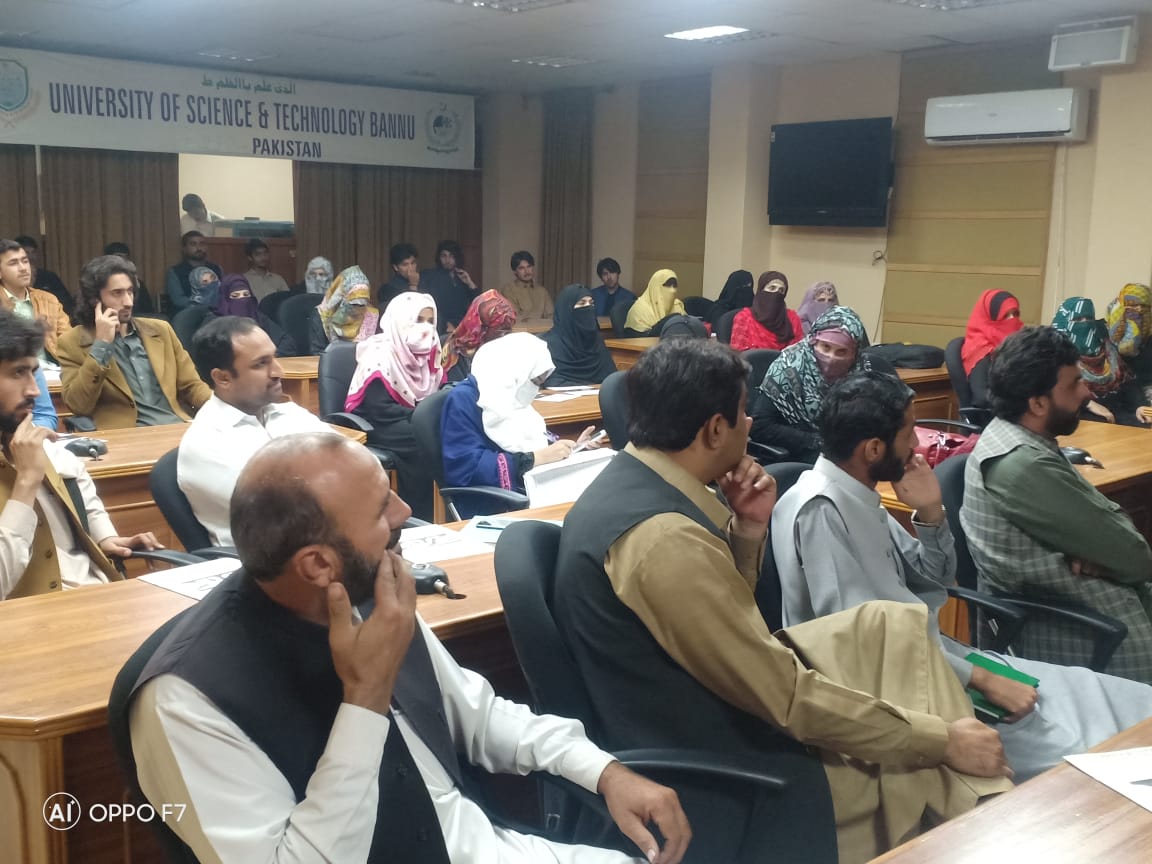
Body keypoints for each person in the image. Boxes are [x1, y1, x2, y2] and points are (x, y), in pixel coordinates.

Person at [130, 432, 691, 864]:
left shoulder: (371, 589)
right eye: (381, 509)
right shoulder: (186, 698)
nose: (404, 513)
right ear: (319, 565)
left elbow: (481, 718)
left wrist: (602, 770)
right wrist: (365, 699)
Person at [552, 338, 1012, 864]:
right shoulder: (663, 540)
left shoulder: (634, 482)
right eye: (743, 412)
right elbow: (785, 697)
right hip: (734, 768)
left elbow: (717, 621)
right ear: (715, 430)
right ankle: (997, 823)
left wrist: (748, 531)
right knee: (936, 765)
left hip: (708, 715)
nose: (751, 423)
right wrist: (940, 741)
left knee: (889, 625)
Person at [773, 370, 1152, 782]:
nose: (917, 444)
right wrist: (981, 678)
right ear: (874, 449)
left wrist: (930, 513)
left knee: (1115, 697)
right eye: (908, 433)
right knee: (1102, 752)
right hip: (909, 695)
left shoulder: (857, 494)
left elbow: (935, 581)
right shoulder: (822, 510)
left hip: (940, 660)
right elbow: (865, 649)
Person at [962, 326, 1152, 684]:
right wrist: (1112, 552)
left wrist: (1108, 553)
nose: (1086, 392)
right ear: (1037, 403)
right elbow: (1136, 556)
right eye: (1074, 384)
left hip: (1088, 610)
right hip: (1085, 632)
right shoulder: (1023, 466)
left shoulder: (1019, 438)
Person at [0, 311, 160, 600]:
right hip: (33, 618)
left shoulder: (28, 439)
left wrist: (105, 537)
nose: (35, 390)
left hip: (95, 594)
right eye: (18, 373)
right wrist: (26, 482)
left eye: (33, 372)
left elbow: (75, 475)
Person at [180, 316, 334, 546]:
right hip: (269, 559)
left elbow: (351, 460)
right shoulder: (206, 442)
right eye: (261, 364)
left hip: (323, 541)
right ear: (223, 378)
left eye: (274, 358)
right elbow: (285, 512)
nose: (278, 371)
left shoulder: (288, 413)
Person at [441, 333, 597, 504]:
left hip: (531, 487)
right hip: (493, 501)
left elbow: (533, 440)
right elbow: (466, 467)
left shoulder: (510, 395)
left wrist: (572, 448)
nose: (535, 389)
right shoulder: (463, 399)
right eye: (534, 381)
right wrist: (535, 459)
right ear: (516, 372)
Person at [57, 255, 211, 429]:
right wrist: (101, 345)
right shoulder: (72, 342)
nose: (128, 302)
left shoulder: (161, 330)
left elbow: (192, 386)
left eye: (130, 292)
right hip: (125, 434)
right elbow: (78, 405)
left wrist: (222, 408)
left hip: (174, 425)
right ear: (94, 299)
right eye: (117, 293)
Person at [345, 292, 445, 521]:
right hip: (379, 423)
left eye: (431, 321)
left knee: (447, 431)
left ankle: (447, 510)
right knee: (426, 438)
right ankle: (420, 515)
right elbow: (379, 409)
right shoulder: (380, 353)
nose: (426, 328)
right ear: (401, 320)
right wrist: (422, 417)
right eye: (418, 320)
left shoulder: (430, 351)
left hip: (412, 418)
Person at [750, 305, 872, 464]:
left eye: (841, 352)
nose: (831, 358)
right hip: (800, 453)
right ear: (813, 341)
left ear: (855, 354)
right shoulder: (788, 367)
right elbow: (760, 426)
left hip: (845, 452)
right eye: (825, 347)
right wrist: (816, 442)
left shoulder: (860, 372)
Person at [1051, 296, 1152, 427]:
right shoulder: (1054, 353)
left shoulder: (1106, 347)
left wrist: (1140, 406)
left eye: (1089, 318)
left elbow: (1128, 382)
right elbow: (1050, 392)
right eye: (1078, 319)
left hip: (1118, 412)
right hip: (1079, 415)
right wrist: (1087, 403)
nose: (1085, 324)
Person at [0, 238, 71, 365]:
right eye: (13, 263)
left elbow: (69, 342)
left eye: (25, 261)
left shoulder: (48, 300)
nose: (23, 268)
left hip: (52, 371)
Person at [540, 284, 616, 386]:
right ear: (567, 310)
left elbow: (612, 378)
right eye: (582, 303)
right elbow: (550, 382)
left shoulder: (596, 342)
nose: (588, 308)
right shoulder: (547, 346)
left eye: (591, 303)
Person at [961, 289, 1023, 410]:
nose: (1012, 320)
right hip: (996, 415)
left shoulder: (1018, 343)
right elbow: (981, 397)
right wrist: (1021, 403)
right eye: (1005, 315)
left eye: (1015, 314)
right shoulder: (980, 349)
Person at [441, 289, 517, 383]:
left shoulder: (505, 352)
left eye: (509, 329)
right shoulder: (449, 348)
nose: (506, 335)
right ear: (482, 328)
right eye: (502, 329)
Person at [309, 265, 380, 355]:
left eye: (362, 304)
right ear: (340, 300)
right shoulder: (321, 315)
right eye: (354, 304)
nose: (358, 309)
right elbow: (316, 354)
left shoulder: (371, 316)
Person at [729, 270, 803, 352]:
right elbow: (737, 354)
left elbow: (797, 352)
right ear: (761, 290)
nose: (776, 293)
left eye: (781, 290)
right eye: (772, 288)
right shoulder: (744, 318)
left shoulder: (792, 319)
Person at [420, 239, 481, 333]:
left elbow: (479, 303)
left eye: (451, 256)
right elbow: (429, 306)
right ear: (439, 257)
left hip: (465, 327)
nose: (447, 260)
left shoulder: (461, 277)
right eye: (444, 256)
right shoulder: (430, 276)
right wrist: (445, 324)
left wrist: (470, 283)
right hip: (443, 328)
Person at [1106, 283, 1152, 403]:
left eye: (1144, 306)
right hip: (1114, 397)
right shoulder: (1104, 338)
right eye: (1133, 305)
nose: (1139, 310)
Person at [13, 234, 73, 315]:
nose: (31, 257)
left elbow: (67, 304)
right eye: (26, 252)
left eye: (33, 252)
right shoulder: (9, 279)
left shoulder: (49, 277)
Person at [165, 231, 222, 313]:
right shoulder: (175, 272)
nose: (198, 248)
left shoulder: (216, 269)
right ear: (184, 249)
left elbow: (223, 293)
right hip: (187, 314)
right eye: (193, 244)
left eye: (202, 244)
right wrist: (203, 305)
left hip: (215, 312)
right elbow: (178, 300)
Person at [624, 269, 686, 337]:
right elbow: (641, 339)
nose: (673, 290)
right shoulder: (639, 310)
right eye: (667, 285)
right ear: (656, 287)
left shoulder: (677, 306)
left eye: (675, 286)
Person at [103, 242, 155, 316]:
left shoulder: (137, 283)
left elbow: (148, 311)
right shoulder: (99, 282)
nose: (122, 260)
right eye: (119, 257)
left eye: (125, 257)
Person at [501, 251, 553, 320]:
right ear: (515, 271)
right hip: (520, 327)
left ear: (533, 267)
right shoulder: (508, 290)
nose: (527, 271)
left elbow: (551, 317)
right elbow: (515, 317)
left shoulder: (542, 291)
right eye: (521, 268)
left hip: (543, 327)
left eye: (529, 266)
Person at [378, 242, 421, 312]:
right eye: (405, 265)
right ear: (396, 267)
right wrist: (413, 286)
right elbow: (408, 311)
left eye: (413, 263)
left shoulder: (424, 282)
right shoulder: (388, 289)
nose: (411, 268)